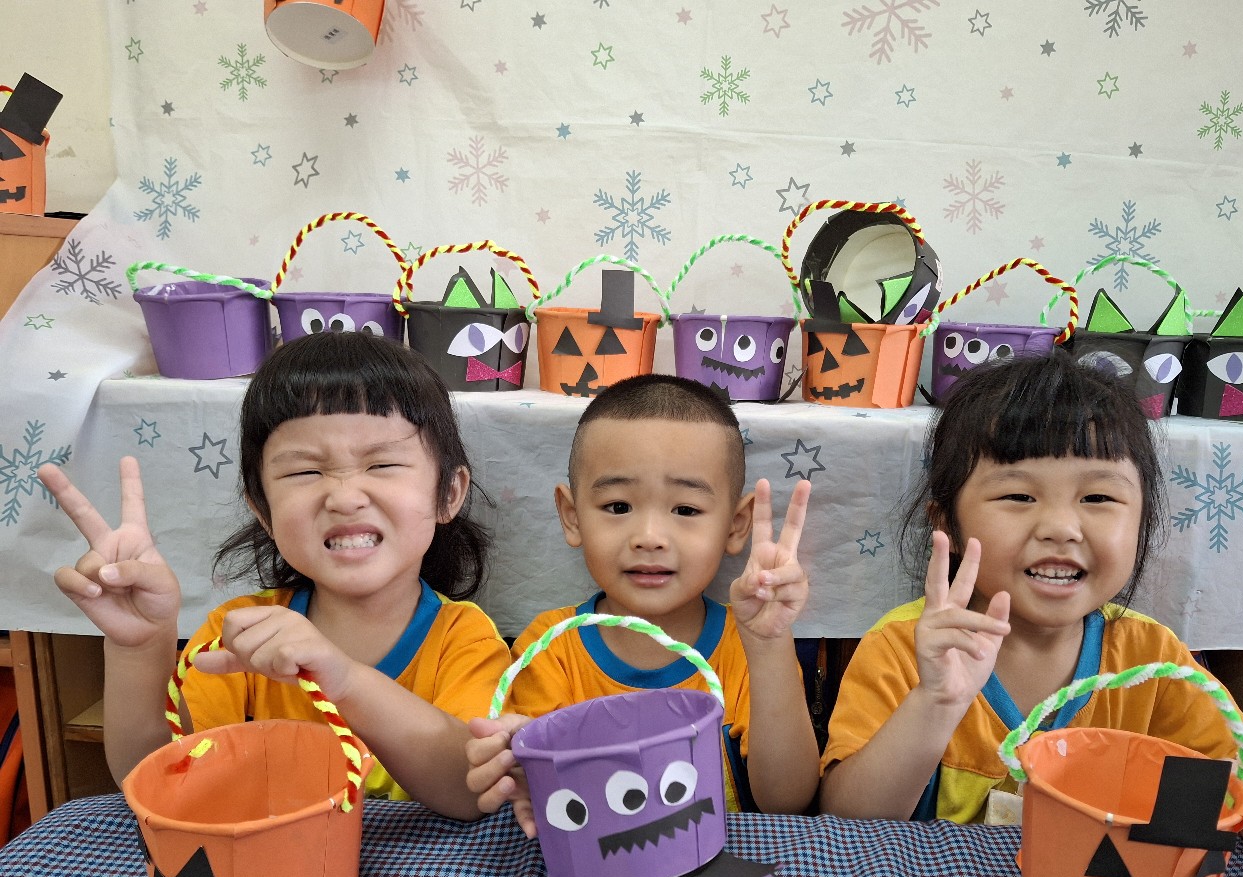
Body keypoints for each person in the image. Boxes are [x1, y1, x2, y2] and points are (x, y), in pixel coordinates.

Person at [819, 353, 1243, 853]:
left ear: (1142, 522)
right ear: (947, 524)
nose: (1061, 528)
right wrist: (935, 702)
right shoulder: (905, 647)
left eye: (1098, 498)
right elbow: (846, 822)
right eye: (1018, 497)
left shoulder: (1152, 660)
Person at [38, 330, 526, 820]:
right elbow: (160, 778)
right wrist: (140, 648)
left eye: (382, 464)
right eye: (304, 472)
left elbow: (472, 791)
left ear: (448, 494)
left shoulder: (465, 639)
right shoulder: (239, 635)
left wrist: (346, 680)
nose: (344, 497)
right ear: (263, 510)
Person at [466, 374, 819, 827]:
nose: (649, 537)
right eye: (618, 507)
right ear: (572, 517)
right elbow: (539, 792)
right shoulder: (551, 647)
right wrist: (521, 767)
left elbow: (788, 802)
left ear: (735, 526)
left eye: (686, 510)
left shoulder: (748, 644)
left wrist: (768, 647)